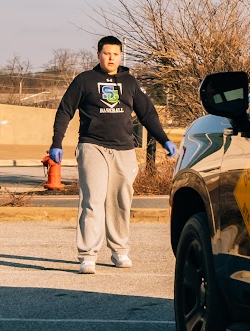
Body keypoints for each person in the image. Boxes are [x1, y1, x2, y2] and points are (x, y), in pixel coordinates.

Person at [48, 36, 175, 273]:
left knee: (121, 201)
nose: (111, 58)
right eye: (107, 54)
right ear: (98, 54)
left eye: (115, 54)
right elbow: (65, 111)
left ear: (120, 56)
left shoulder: (130, 82)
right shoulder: (85, 80)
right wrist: (57, 142)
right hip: (92, 146)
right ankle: (88, 255)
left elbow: (147, 114)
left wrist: (165, 140)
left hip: (124, 149)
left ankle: (120, 251)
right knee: (93, 200)